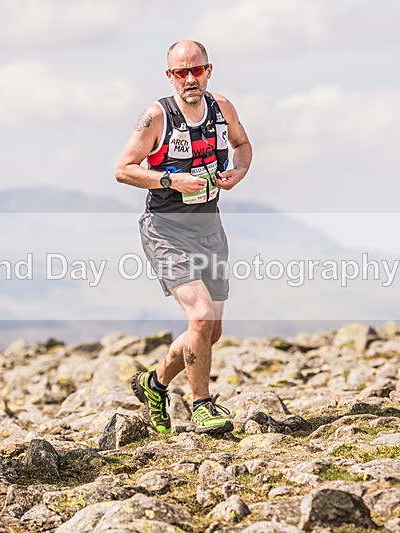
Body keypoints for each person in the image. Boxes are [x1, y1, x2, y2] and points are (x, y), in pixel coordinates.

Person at [115, 41, 252, 435]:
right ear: (169, 75)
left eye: (197, 70)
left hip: (209, 226)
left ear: (209, 70)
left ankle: (154, 384)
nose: (190, 79)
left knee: (211, 331)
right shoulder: (157, 116)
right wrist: (170, 179)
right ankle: (202, 407)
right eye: (181, 72)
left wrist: (238, 171)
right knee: (201, 316)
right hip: (167, 228)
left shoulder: (222, 108)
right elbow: (123, 169)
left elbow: (242, 145)